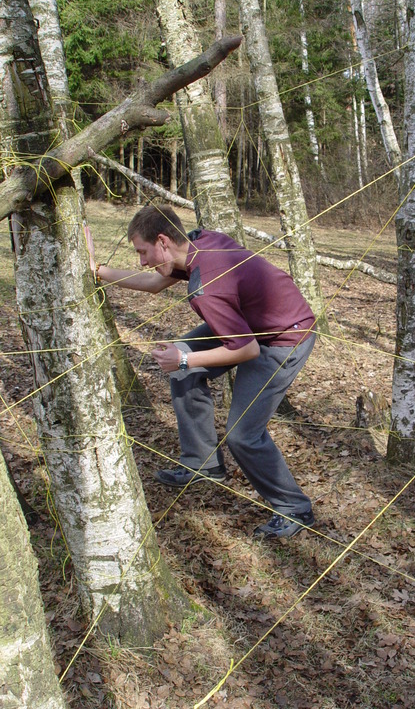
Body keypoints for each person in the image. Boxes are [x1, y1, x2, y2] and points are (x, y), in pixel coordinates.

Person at [90, 205, 316, 539]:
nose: (142, 261)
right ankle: (203, 462)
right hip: (251, 327)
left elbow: (247, 349)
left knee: (242, 434)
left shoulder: (206, 285)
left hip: (283, 338)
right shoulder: (199, 243)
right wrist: (98, 270)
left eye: (143, 252)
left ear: (164, 241)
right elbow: (153, 283)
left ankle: (294, 508)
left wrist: (183, 360)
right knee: (184, 360)